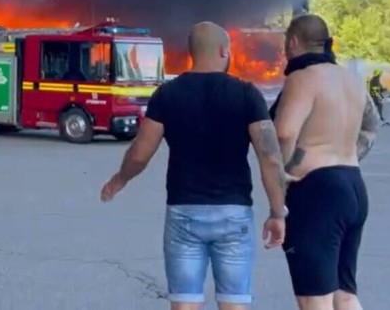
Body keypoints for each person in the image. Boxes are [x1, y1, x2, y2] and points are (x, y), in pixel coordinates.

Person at [101, 22, 288, 310]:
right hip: (233, 213)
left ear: (191, 53)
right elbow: (270, 158)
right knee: (235, 303)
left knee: (185, 302)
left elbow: (140, 153)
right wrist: (278, 212)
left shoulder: (167, 94)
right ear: (225, 51)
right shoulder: (247, 94)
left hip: (184, 212)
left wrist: (120, 178)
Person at [271, 14, 380, 310]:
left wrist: (281, 174)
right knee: (344, 293)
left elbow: (284, 133)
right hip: (353, 185)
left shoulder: (302, 78)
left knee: (314, 298)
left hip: (316, 193)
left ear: (293, 42)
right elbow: (371, 125)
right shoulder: (350, 79)